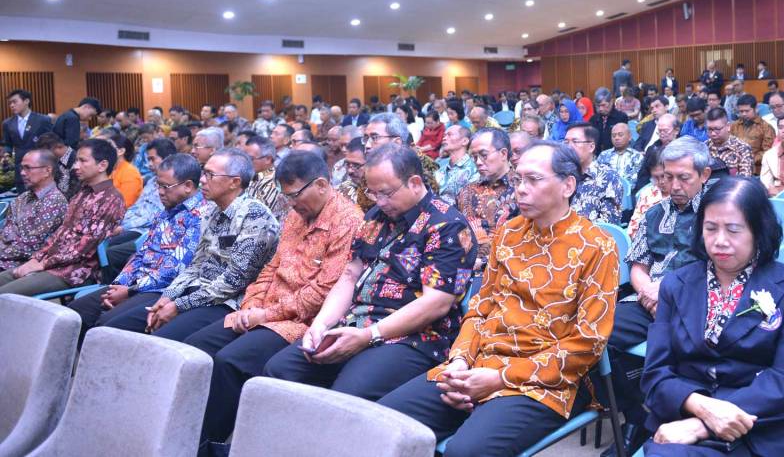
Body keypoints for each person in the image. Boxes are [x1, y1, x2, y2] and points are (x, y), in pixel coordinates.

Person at [377, 140, 618, 457]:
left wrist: (499, 378)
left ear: (568, 185)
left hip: (543, 381)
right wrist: (460, 361)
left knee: (465, 452)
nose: (521, 189)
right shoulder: (509, 233)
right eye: (518, 179)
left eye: (533, 180)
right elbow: (480, 308)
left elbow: (588, 342)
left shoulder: (596, 246)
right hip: (479, 364)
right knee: (385, 422)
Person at [263, 144, 476, 405]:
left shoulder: (447, 225)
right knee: (280, 371)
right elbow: (350, 275)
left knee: (346, 395)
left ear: (415, 183)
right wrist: (321, 324)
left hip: (414, 337)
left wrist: (370, 334)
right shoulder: (376, 216)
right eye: (372, 193)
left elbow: (436, 303)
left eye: (386, 193)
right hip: (356, 323)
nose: (379, 202)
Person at [185, 152, 364, 452]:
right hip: (263, 309)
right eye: (286, 196)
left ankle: (205, 444)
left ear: (321, 185)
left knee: (230, 361)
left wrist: (265, 314)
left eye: (295, 195)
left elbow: (323, 291)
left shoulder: (348, 221)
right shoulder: (296, 216)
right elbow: (271, 267)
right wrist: (250, 306)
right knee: (196, 346)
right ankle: (183, 428)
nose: (291, 203)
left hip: (298, 321)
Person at [641, 177, 784, 457]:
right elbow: (656, 373)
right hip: (684, 420)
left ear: (759, 231)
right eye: (710, 228)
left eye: (734, 230)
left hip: (761, 425)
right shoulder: (676, 285)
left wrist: (701, 426)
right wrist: (702, 408)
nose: (720, 241)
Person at [103, 149, 280, 341]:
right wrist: (167, 297)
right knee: (114, 324)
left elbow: (234, 281)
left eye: (210, 175)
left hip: (226, 301)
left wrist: (178, 305)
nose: (202, 180)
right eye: (204, 173)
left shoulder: (255, 217)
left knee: (159, 339)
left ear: (234, 182)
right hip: (194, 292)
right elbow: (195, 265)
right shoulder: (212, 211)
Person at [607, 137, 712, 454]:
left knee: (682, 348)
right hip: (648, 299)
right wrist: (647, 291)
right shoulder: (654, 213)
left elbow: (715, 268)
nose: (674, 185)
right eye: (667, 176)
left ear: (704, 174)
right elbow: (638, 267)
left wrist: (665, 291)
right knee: (594, 332)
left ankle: (682, 422)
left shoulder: (718, 213)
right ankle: (637, 417)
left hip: (696, 302)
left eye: (684, 178)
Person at [67, 154, 208, 340]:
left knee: (105, 326)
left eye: (165, 187)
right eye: (158, 185)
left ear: (188, 186)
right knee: (74, 313)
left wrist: (130, 291)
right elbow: (141, 254)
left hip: (161, 290)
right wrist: (120, 284)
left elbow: (174, 270)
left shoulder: (199, 217)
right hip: (137, 282)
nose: (160, 192)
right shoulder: (166, 212)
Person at [0, 139, 125, 296]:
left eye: (82, 161)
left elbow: (83, 249)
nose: (75, 166)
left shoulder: (111, 199)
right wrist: (36, 259)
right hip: (52, 264)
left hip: (74, 272)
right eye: (76, 160)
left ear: (102, 165)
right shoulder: (82, 193)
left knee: (4, 295)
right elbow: (60, 234)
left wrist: (43, 264)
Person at [101, 138, 178, 279]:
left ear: (168, 158)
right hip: (134, 225)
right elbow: (137, 206)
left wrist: (123, 227)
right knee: (102, 242)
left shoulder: (172, 184)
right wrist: (120, 221)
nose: (149, 164)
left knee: (112, 251)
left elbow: (154, 215)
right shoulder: (152, 181)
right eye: (148, 159)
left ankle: (114, 285)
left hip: (146, 230)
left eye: (152, 159)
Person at [457, 128, 518, 277]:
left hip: (506, 273)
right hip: (462, 273)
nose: (478, 162)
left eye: (484, 155)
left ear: (503, 154)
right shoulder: (466, 191)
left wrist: (483, 261)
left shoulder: (522, 190)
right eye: (474, 157)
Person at [0, 149, 67, 270]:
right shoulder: (22, 198)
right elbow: (6, 233)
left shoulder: (55, 201)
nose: (22, 173)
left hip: (23, 266)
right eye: (22, 168)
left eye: (28, 168)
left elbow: (31, 246)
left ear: (47, 171)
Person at [565, 123, 622, 224]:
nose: (569, 147)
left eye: (575, 142)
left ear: (591, 147)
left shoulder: (608, 177)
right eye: (566, 142)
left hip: (591, 232)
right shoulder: (562, 174)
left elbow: (609, 223)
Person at [2, 89, 53, 191]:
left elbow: (51, 142)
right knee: (22, 196)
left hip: (39, 166)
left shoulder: (43, 120)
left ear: (26, 101)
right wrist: (7, 155)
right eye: (10, 103)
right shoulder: (7, 123)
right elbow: (7, 144)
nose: (11, 105)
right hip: (20, 167)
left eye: (14, 102)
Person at [243, 135, 288, 221]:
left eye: (250, 158)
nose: (245, 162)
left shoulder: (273, 183)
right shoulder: (253, 175)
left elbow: (257, 218)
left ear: (268, 159)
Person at [729, 94, 775, 175]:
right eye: (741, 111)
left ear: (756, 109)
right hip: (736, 169)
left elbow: (768, 152)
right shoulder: (734, 126)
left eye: (747, 111)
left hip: (757, 171)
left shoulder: (766, 127)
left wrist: (749, 159)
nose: (744, 114)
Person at [436, 125, 479, 204]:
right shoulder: (440, 166)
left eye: (449, 135)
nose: (444, 138)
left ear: (464, 141)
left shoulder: (474, 168)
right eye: (444, 135)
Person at [98, 133, 144, 208]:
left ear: (121, 151)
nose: (105, 150)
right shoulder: (111, 168)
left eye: (109, 147)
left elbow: (125, 204)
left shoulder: (130, 173)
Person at [705, 108, 753, 177]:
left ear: (728, 127)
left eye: (717, 129)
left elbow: (745, 179)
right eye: (709, 129)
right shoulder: (704, 147)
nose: (713, 134)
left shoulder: (742, 148)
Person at [34, 132, 78, 200]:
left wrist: (55, 201)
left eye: (47, 152)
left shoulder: (76, 160)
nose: (45, 156)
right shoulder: (56, 160)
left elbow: (75, 191)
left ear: (58, 146)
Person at [590, 88, 629, 153]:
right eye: (598, 106)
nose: (600, 109)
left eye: (603, 105)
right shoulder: (593, 119)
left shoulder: (621, 117)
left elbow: (623, 140)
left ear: (611, 102)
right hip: (597, 153)